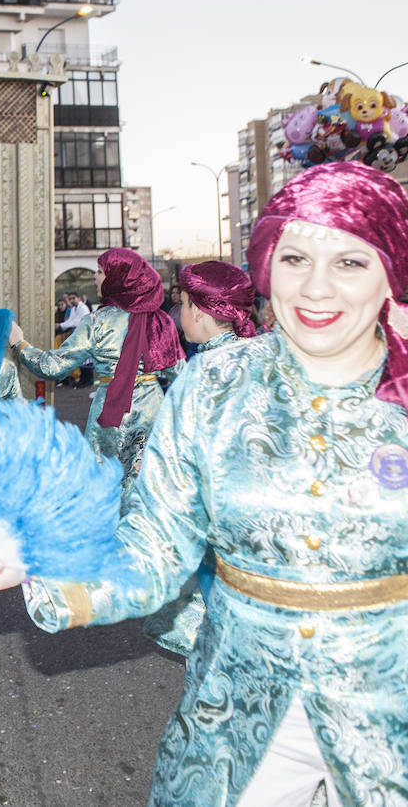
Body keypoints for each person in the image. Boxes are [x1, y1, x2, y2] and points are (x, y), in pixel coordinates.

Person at [0, 162, 408, 806]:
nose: (317, 288)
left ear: (391, 271)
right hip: (241, 713)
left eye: (350, 262)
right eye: (297, 259)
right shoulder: (214, 386)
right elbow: (157, 544)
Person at [140, 260, 258, 657]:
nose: (179, 313)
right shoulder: (251, 353)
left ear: (201, 313)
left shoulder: (208, 367)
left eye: (183, 303)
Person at [9, 247, 184, 490]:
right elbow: (182, 376)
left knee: (105, 486)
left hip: (110, 410)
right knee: (148, 484)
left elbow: (53, 367)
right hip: (152, 409)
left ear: (119, 278)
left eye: (101, 272)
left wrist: (18, 343)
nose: (95, 277)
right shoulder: (159, 320)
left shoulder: (97, 321)